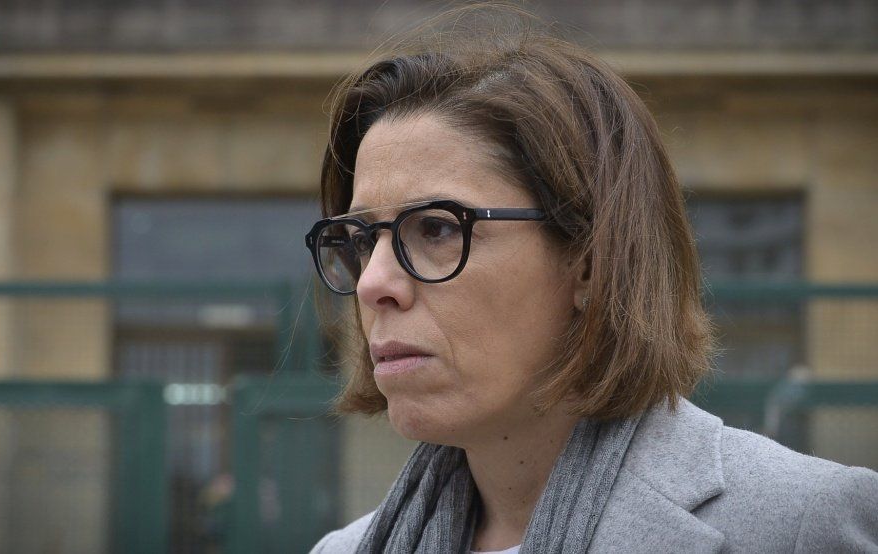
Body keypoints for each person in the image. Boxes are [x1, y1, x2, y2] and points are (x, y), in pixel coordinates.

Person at [305, 8, 878, 553]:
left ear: (589, 259)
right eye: (361, 240)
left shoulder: (801, 525)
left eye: (435, 228)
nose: (372, 282)